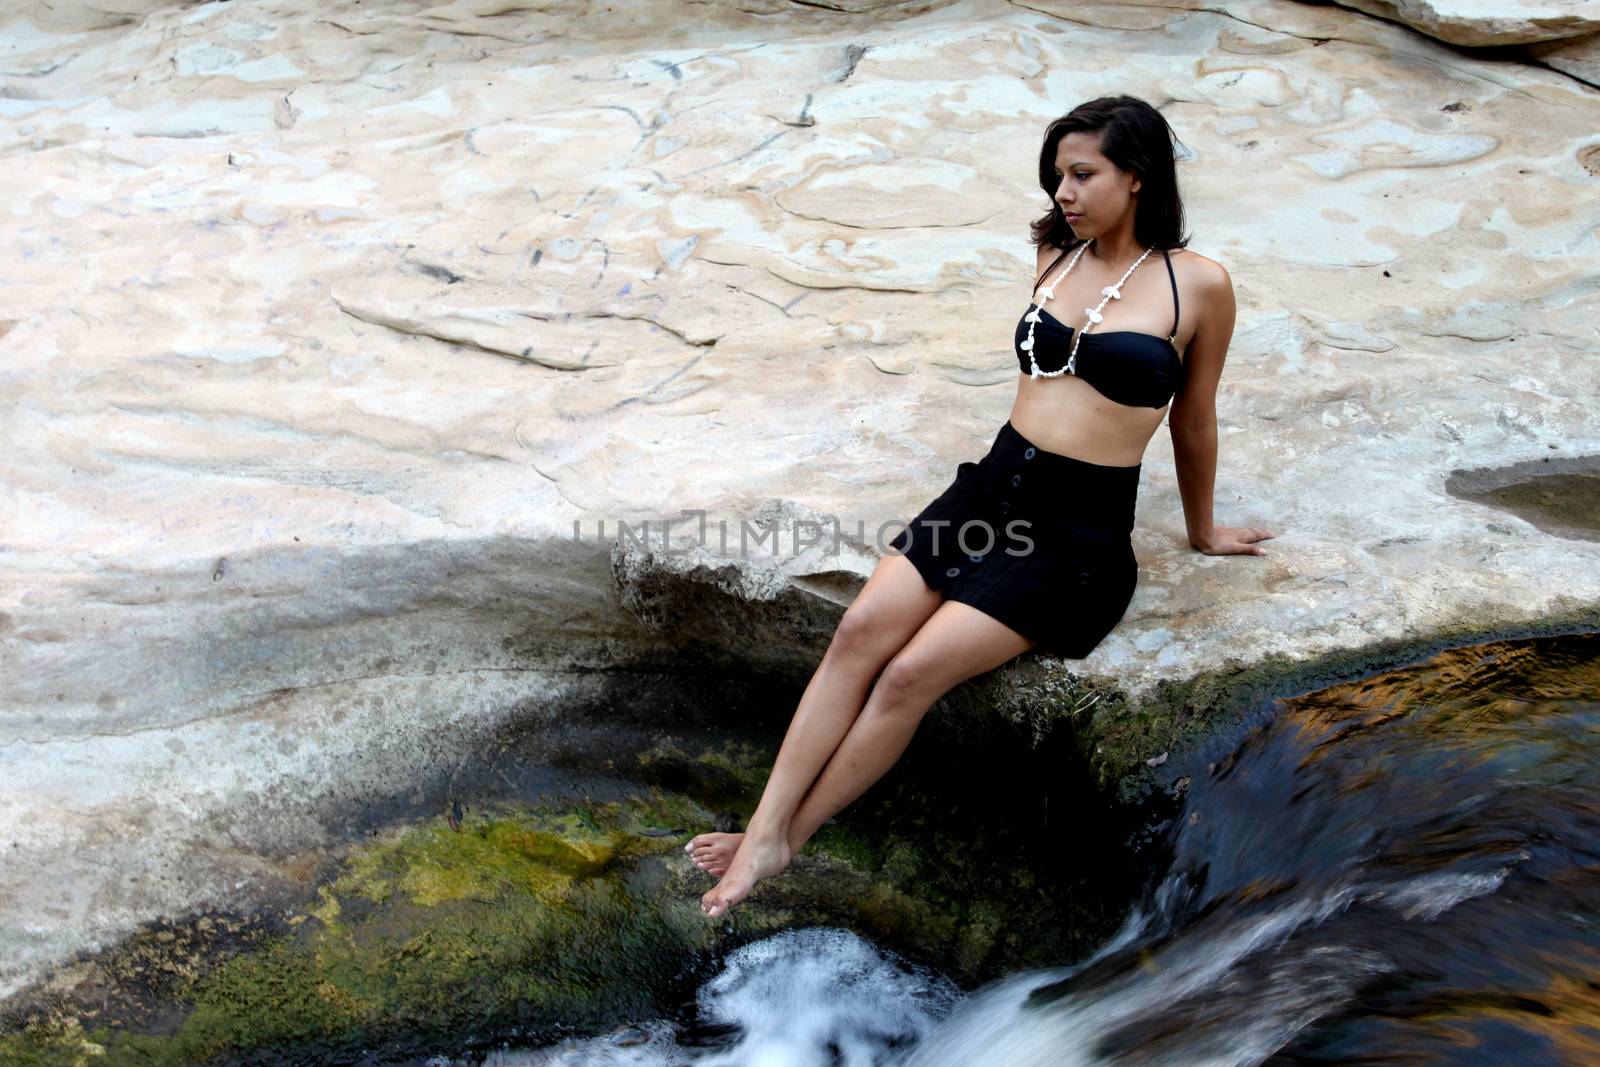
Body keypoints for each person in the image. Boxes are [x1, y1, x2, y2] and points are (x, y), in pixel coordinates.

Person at [687, 95, 1275, 919]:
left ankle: (787, 840)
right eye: (1058, 175)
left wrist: (1203, 530)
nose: (1064, 192)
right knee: (857, 632)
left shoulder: (1199, 285)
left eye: (1083, 173)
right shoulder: (1054, 254)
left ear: (1137, 177)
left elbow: (1196, 417)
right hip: (991, 489)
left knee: (908, 673)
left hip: (1076, 535)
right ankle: (762, 823)